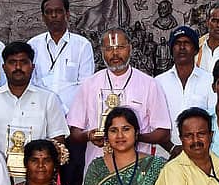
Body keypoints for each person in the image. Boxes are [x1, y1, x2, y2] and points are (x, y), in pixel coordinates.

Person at [68, 28, 171, 171]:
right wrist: (89, 135)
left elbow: (163, 132)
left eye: (120, 47)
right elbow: (74, 133)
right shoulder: (89, 85)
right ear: (102, 52)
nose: (115, 53)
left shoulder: (149, 84)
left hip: (138, 170)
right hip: (98, 168)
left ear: (130, 48)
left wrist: (131, 137)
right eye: (109, 48)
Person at [0, 41, 69, 173]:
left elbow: (58, 140)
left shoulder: (48, 99)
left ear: (32, 67)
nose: (18, 67)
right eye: (12, 62)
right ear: (3, 67)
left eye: (24, 62)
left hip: (37, 176)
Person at [29, 0, 96, 113]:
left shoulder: (82, 45)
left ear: (67, 14)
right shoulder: (33, 45)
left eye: (58, 11)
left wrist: (67, 112)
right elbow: (30, 83)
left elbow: (85, 86)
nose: (53, 15)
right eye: (48, 12)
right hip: (39, 114)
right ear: (43, 17)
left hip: (72, 116)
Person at [155, 25, 213, 155]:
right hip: (165, 155)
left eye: (186, 43)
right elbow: (154, 122)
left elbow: (213, 119)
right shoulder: (159, 82)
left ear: (195, 50)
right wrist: (172, 148)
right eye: (177, 43)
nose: (182, 47)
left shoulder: (209, 81)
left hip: (200, 154)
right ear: (171, 49)